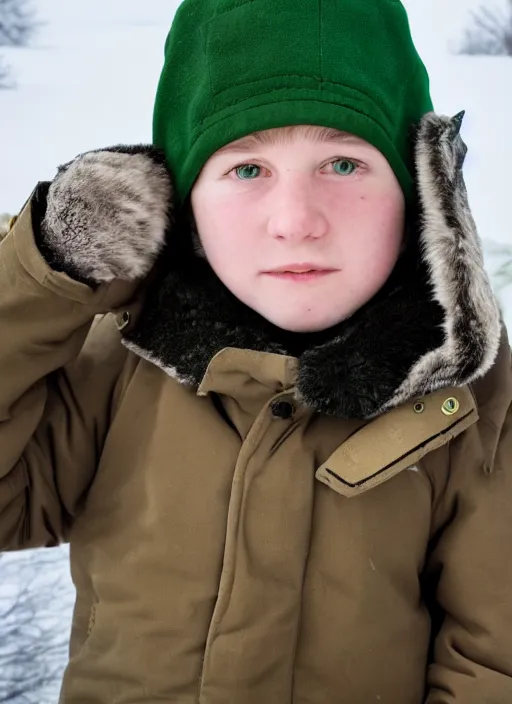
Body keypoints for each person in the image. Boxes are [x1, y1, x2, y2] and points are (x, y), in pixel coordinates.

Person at [1, 0, 511, 701]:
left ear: (420, 189)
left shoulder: (471, 401)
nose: (295, 221)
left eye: (342, 162)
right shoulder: (119, 363)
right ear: (182, 203)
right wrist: (41, 284)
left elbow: (495, 663)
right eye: (246, 170)